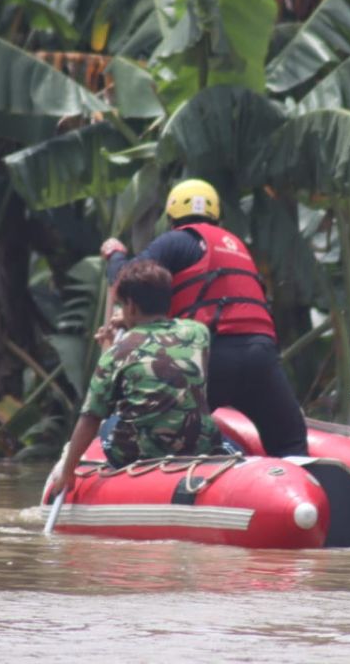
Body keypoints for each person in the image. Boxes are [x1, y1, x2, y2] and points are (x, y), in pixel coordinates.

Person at [99, 179, 309, 457]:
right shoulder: (236, 246)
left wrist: (115, 256)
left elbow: (127, 280)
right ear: (217, 217)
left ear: (172, 217)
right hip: (262, 354)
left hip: (210, 356)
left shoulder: (176, 240)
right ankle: (303, 491)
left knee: (169, 433)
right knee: (290, 440)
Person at [52, 259, 223, 493]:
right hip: (198, 444)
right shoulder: (198, 333)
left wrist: (67, 471)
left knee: (107, 423)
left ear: (130, 306)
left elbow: (90, 417)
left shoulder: (117, 352)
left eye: (122, 305)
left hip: (144, 452)